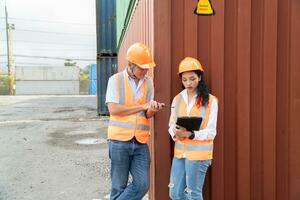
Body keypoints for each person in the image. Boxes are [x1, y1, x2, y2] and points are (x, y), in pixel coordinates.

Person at [105, 42, 165, 200]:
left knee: (142, 185)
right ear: (130, 65)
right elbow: (113, 110)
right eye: (142, 68)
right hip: (119, 141)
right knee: (118, 186)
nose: (145, 71)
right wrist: (143, 106)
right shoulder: (115, 80)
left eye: (147, 68)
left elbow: (147, 114)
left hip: (140, 142)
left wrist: (152, 108)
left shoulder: (149, 82)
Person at [168, 57, 218, 200]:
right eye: (184, 80)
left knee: (193, 194)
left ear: (199, 77)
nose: (188, 83)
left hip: (199, 155)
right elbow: (171, 125)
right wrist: (175, 132)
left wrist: (190, 134)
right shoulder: (177, 99)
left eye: (192, 79)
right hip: (180, 154)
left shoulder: (211, 101)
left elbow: (211, 132)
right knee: (175, 193)